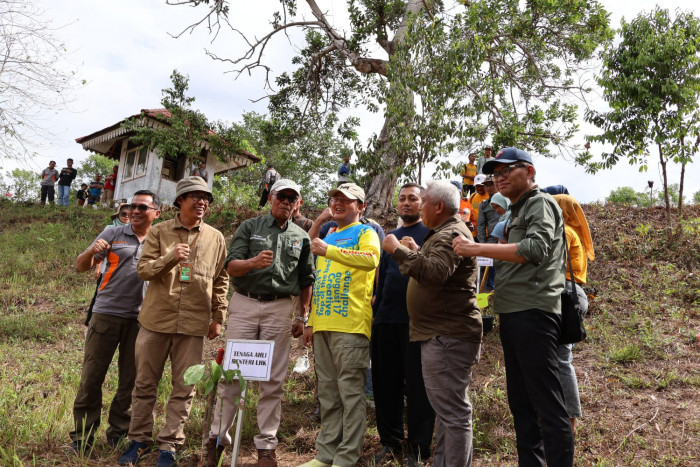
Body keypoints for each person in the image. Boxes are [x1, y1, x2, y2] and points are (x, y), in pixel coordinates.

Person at [452, 147, 574, 466]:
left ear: (529, 172)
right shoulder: (515, 211)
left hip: (535, 312)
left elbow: (536, 248)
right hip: (513, 313)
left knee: (547, 403)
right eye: (496, 173)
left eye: (507, 171)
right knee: (521, 402)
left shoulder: (541, 204)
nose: (499, 177)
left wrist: (477, 248)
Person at [119, 176, 229, 467]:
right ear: (180, 200)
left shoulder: (216, 238)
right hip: (156, 321)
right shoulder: (159, 231)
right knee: (144, 385)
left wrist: (219, 316)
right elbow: (143, 270)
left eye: (206, 197)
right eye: (195, 196)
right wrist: (169, 257)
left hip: (193, 325)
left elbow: (220, 279)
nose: (202, 201)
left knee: (184, 388)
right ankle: (139, 440)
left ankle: (169, 446)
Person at [206, 179, 315, 467]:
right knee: (232, 374)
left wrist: (303, 316)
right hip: (244, 303)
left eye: (293, 198)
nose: (286, 202)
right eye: (282, 197)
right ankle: (217, 439)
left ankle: (266, 446)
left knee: (272, 380)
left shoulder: (301, 236)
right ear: (271, 198)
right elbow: (230, 266)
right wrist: (253, 263)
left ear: (299, 203)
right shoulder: (250, 227)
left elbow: (307, 280)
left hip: (280, 308)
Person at [383, 180, 482, 467]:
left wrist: (397, 250)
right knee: (449, 412)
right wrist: (417, 250)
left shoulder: (450, 232)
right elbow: (440, 269)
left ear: (438, 206)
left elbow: (436, 273)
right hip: (441, 333)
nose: (418, 207)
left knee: (453, 413)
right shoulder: (442, 233)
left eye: (423, 201)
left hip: (447, 335)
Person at [70, 191, 161, 454]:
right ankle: (81, 438)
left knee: (130, 381)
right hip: (106, 313)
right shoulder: (112, 232)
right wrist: (91, 252)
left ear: (157, 211)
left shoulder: (160, 238)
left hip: (143, 319)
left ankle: (118, 434)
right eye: (131, 206)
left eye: (142, 207)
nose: (134, 211)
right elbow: (80, 266)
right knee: (91, 377)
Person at [300, 183, 380, 467]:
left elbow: (371, 260)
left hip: (351, 326)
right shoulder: (331, 233)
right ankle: (325, 455)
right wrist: (311, 322)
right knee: (328, 395)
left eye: (346, 199)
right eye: (334, 198)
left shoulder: (365, 232)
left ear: (361, 206)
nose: (337, 202)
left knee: (350, 394)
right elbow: (320, 281)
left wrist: (329, 250)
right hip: (323, 325)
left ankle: (346, 457)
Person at [371, 183, 435, 466]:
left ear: (423, 204)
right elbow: (382, 280)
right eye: (402, 198)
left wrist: (416, 250)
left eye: (413, 199)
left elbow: (433, 274)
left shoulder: (431, 235)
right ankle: (389, 441)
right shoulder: (390, 236)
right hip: (385, 320)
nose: (406, 203)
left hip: (417, 324)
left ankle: (418, 448)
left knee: (419, 388)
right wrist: (377, 312)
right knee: (385, 385)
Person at [553, 194, 595, 431]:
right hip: (572, 293)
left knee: (561, 359)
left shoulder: (564, 232)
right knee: (561, 357)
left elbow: (549, 262)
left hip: (564, 294)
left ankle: (569, 418)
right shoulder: (571, 229)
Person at [477, 177, 500, 291]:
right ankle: (484, 299)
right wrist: (482, 245)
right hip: (491, 240)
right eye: (487, 185)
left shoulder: (507, 200)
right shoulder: (484, 204)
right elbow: (481, 225)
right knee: (485, 270)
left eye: (491, 184)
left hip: (506, 240)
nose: (489, 188)